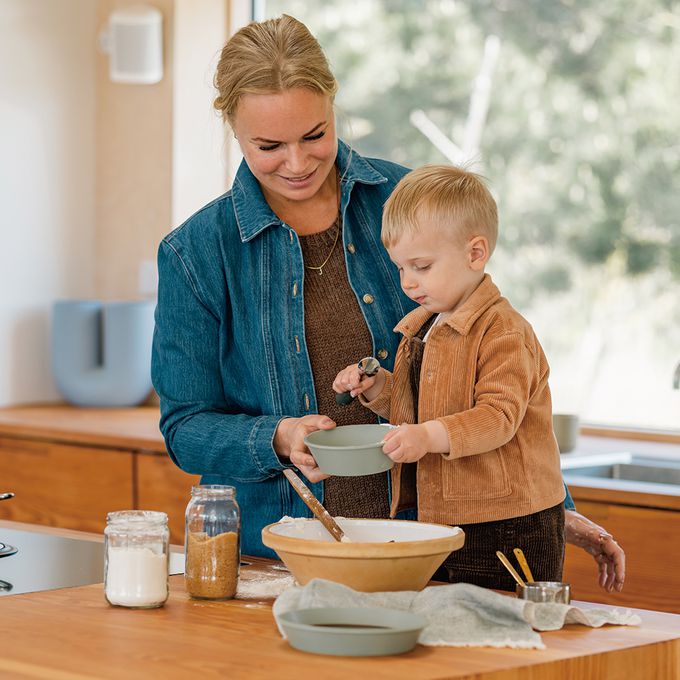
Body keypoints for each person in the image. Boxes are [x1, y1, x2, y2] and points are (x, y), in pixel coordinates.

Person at [150, 14, 625, 592]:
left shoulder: (408, 203)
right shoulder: (196, 254)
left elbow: (492, 363)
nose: (297, 163)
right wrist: (278, 437)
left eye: (314, 135)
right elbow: (186, 427)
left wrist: (548, 506)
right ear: (232, 127)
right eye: (268, 146)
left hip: (434, 545)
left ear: (333, 104)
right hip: (287, 557)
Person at [333, 165, 567, 589]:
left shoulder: (505, 332)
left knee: (500, 624)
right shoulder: (423, 326)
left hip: (510, 525)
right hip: (444, 517)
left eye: (421, 266)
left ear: (475, 254)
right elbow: (418, 403)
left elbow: (497, 417)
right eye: (401, 268)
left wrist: (426, 437)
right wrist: (378, 386)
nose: (408, 283)